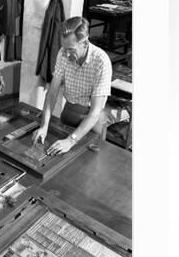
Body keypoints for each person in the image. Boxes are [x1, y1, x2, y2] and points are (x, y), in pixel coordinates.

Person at [32, 16, 122, 155]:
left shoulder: (101, 61)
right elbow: (52, 93)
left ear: (84, 43)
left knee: (87, 164)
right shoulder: (63, 53)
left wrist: (71, 140)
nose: (66, 54)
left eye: (71, 50)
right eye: (64, 48)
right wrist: (44, 126)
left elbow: (95, 112)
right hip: (70, 109)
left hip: (92, 120)